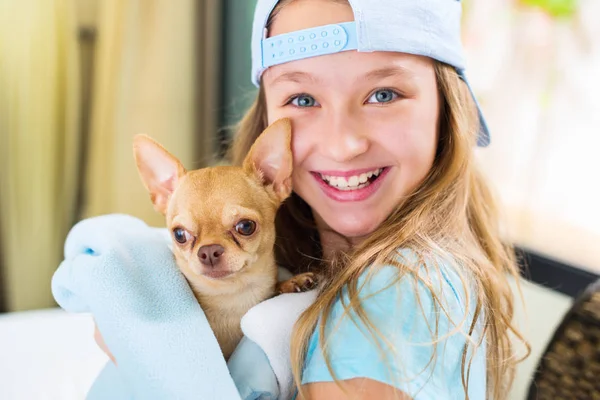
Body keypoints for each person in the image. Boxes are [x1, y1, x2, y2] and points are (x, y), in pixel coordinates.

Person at [96, 0, 529, 398]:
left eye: (384, 94)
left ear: (448, 110)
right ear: (268, 124)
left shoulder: (387, 301)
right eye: (303, 98)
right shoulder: (313, 259)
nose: (343, 144)